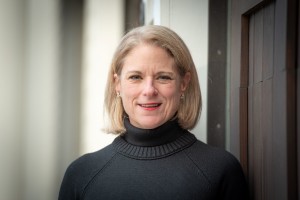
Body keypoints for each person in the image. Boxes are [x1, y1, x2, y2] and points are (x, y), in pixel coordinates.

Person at [58, 25, 248, 200]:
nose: (149, 90)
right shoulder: (81, 174)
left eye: (163, 77)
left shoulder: (220, 170)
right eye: (135, 77)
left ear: (184, 83)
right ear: (117, 84)